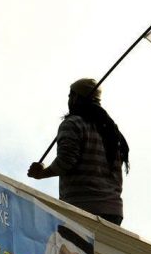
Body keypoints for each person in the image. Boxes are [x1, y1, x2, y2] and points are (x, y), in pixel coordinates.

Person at [28, 78, 129, 225]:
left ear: (76, 97)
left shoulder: (72, 123)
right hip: (113, 211)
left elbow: (66, 162)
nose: (69, 100)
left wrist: (41, 174)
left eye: (70, 95)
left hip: (81, 207)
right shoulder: (112, 132)